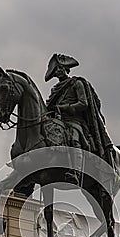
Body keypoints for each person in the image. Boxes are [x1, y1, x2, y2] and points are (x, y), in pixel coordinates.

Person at [45, 53, 113, 185]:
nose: (58, 72)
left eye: (60, 68)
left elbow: (83, 104)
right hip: (59, 121)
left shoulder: (77, 83)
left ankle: (75, 172)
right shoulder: (55, 89)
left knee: (73, 137)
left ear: (66, 69)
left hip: (75, 122)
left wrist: (65, 107)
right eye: (55, 70)